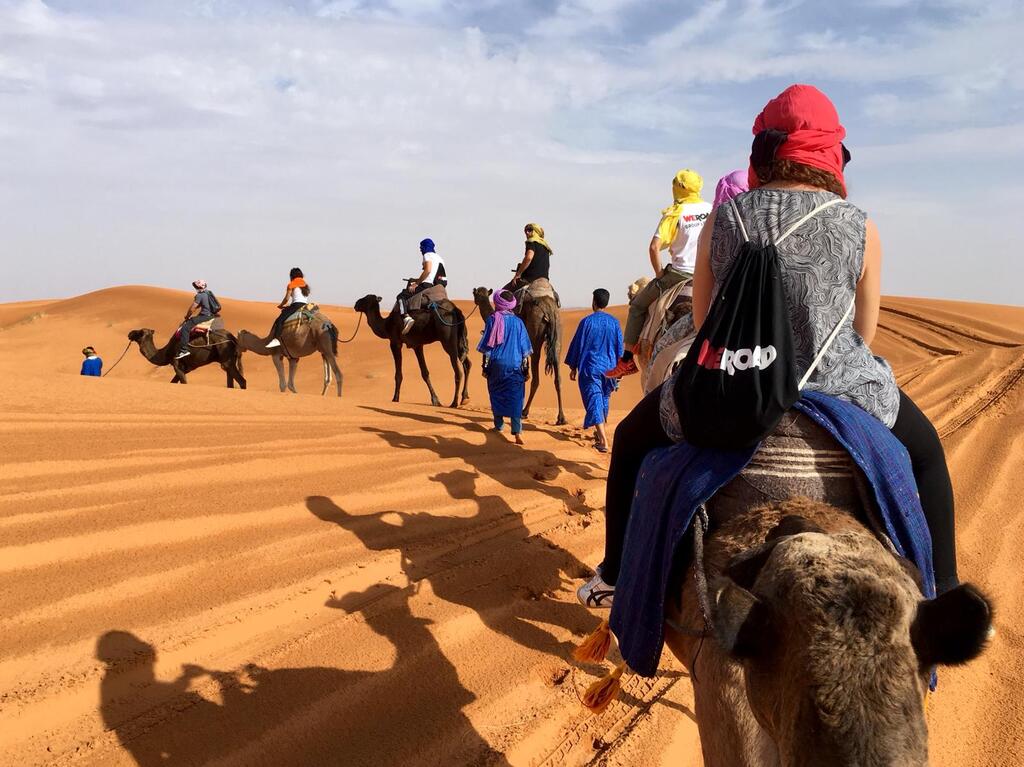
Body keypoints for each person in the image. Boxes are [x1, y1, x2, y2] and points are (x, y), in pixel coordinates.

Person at [578, 83, 958, 609]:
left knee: (630, 439)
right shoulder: (861, 226)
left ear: (764, 150)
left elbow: (706, 324)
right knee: (928, 455)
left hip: (735, 385)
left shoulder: (724, 219)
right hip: (840, 392)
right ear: (830, 152)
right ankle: (947, 590)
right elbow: (863, 334)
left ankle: (617, 573)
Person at [605, 169, 712, 378]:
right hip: (709, 272)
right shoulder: (712, 209)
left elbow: (654, 247)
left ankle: (627, 360)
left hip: (679, 275)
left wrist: (660, 272)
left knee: (637, 306)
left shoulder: (675, 213)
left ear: (677, 189)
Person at [565, 289, 624, 452]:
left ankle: (604, 441)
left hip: (591, 367)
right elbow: (620, 348)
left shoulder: (587, 322)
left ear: (594, 302)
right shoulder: (614, 323)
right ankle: (600, 433)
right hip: (610, 368)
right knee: (604, 397)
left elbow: (578, 344)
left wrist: (573, 366)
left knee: (595, 399)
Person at [478, 289, 533, 445]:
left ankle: (499, 426)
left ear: (497, 302)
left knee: (495, 393)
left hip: (496, 364)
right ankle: (517, 432)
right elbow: (525, 349)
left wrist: (485, 367)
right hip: (515, 364)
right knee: (516, 397)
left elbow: (487, 347)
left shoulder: (492, 320)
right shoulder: (519, 322)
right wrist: (526, 369)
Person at [398, 238, 447, 335]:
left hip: (427, 285)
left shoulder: (427, 255)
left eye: (421, 247)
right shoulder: (439, 258)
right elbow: (432, 274)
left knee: (401, 296)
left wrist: (416, 284)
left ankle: (406, 318)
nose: (420, 249)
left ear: (425, 247)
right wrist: (416, 280)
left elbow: (428, 270)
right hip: (438, 286)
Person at [265, 268, 310, 349]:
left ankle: (275, 340)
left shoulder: (291, 284)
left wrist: (281, 305)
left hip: (296, 305)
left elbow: (286, 299)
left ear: (292, 275)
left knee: (279, 321)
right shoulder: (305, 285)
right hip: (305, 306)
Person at [175, 280, 220, 360]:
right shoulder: (208, 293)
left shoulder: (200, 295)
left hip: (205, 316)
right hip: (212, 315)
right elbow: (201, 305)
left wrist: (187, 316)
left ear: (198, 287)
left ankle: (184, 350)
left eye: (195, 287)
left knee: (185, 328)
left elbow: (193, 307)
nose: (195, 288)